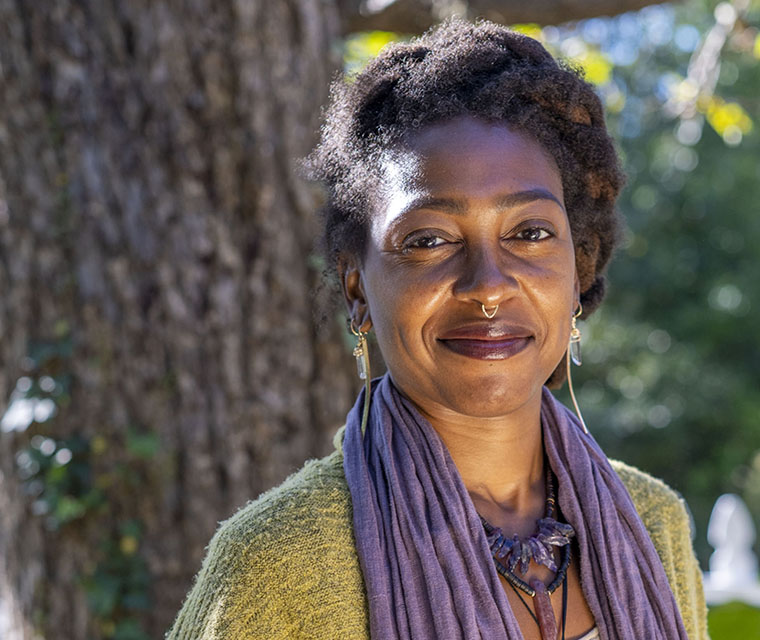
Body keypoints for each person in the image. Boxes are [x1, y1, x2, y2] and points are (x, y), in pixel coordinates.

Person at [167, 19, 708, 640]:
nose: (488, 284)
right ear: (357, 290)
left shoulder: (652, 524)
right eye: (428, 241)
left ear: (579, 270)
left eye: (529, 233)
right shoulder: (280, 562)